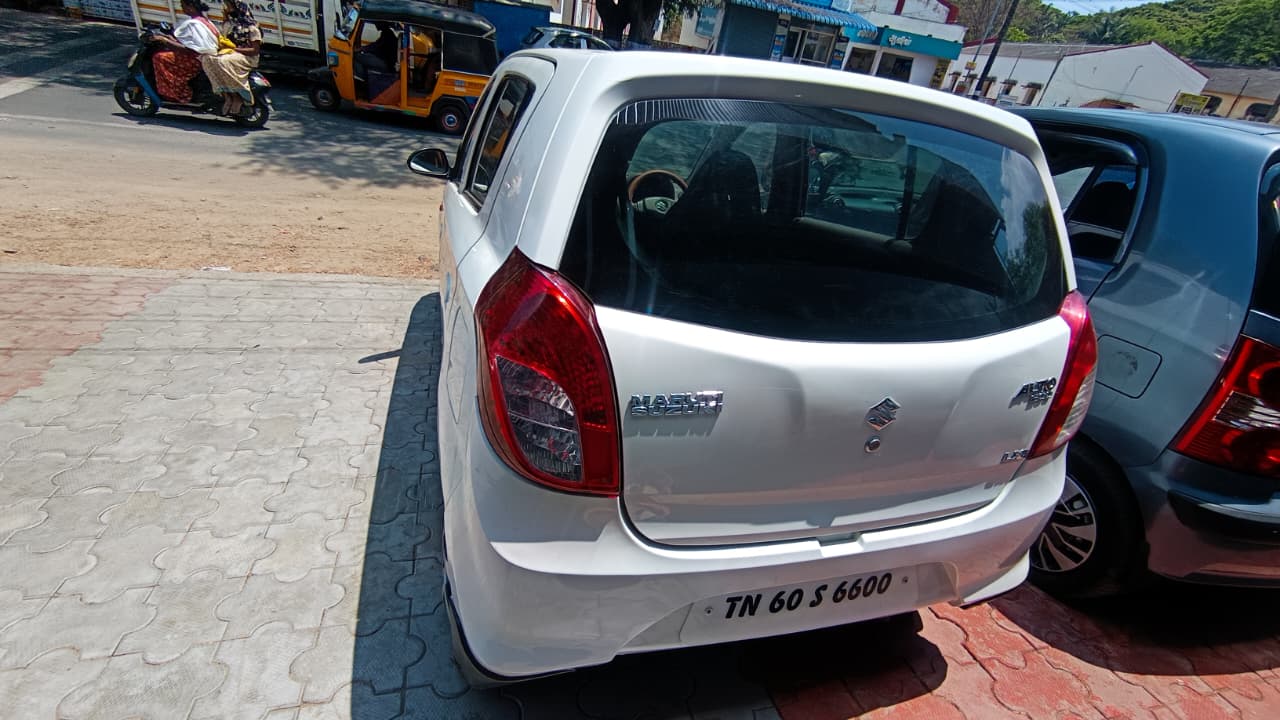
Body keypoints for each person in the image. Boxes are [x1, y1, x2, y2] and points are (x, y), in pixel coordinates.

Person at [201, 0, 262, 116]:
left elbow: (255, 50)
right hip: (229, 53)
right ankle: (226, 96)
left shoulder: (252, 28)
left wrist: (235, 50)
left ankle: (238, 96)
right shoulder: (229, 25)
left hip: (247, 57)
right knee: (206, 59)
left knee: (224, 61)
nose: (227, 9)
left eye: (230, 7)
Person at [152, 0, 219, 104]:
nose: (182, 8)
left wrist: (164, 41)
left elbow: (191, 49)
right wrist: (170, 39)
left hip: (196, 60)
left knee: (159, 57)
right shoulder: (205, 21)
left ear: (191, 6)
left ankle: (180, 93)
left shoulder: (193, 24)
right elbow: (191, 43)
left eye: (183, 6)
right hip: (204, 57)